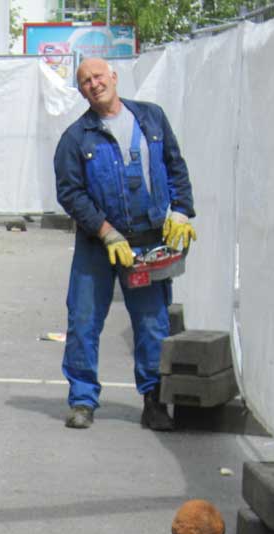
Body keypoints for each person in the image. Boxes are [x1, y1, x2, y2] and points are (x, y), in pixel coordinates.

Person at [53, 57, 197, 431]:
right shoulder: (75, 138)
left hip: (148, 243)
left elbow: (175, 166)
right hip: (97, 247)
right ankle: (82, 400)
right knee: (83, 320)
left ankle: (154, 401)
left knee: (152, 323)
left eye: (98, 76)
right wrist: (105, 231)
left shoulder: (151, 118)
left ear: (114, 77)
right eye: (85, 81)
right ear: (81, 90)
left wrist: (182, 211)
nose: (94, 84)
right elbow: (70, 193)